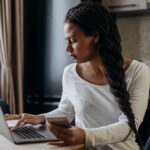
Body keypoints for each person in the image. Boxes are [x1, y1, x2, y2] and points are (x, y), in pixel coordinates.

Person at [5, 0, 150, 150]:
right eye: (66, 41)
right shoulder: (70, 73)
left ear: (95, 36)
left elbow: (128, 126)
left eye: (73, 41)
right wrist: (40, 118)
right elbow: (65, 111)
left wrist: (85, 136)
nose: (67, 48)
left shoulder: (138, 71)